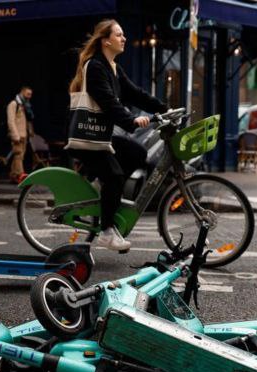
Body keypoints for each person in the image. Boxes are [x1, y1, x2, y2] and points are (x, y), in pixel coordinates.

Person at [68, 19, 167, 251]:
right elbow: (108, 101)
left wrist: (164, 108)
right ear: (106, 40)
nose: (124, 39)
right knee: (114, 176)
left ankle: (100, 184)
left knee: (137, 153)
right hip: (87, 137)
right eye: (119, 35)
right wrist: (130, 120)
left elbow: (134, 93)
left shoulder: (113, 66)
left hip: (101, 135)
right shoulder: (94, 66)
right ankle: (106, 232)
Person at [6, 86, 34, 183]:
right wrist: (15, 135)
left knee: (20, 156)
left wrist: (30, 132)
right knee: (18, 155)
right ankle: (21, 176)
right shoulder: (14, 104)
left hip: (24, 134)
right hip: (17, 135)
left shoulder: (24, 105)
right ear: (22, 92)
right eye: (28, 94)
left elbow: (26, 120)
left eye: (31, 94)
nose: (29, 96)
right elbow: (11, 121)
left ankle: (14, 175)